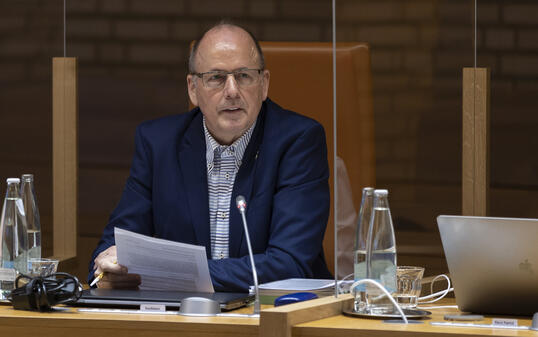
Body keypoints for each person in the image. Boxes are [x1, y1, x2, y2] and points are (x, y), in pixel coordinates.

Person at [89, 22, 332, 292]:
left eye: (244, 76)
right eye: (216, 77)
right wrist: (109, 270)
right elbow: (112, 250)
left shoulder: (297, 141)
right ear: (193, 89)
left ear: (264, 85)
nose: (231, 91)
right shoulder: (159, 144)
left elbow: (290, 264)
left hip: (271, 317)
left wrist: (168, 273)